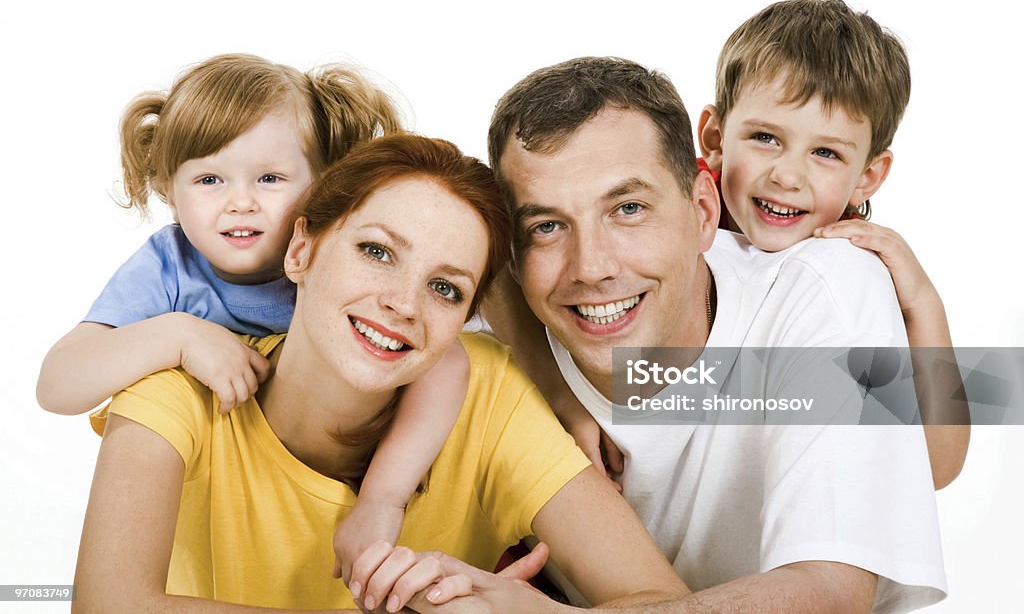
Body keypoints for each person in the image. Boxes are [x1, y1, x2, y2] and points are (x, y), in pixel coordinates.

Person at [73, 134, 690, 612]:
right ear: (301, 250)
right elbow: (109, 607)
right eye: (376, 252)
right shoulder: (174, 395)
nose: (403, 303)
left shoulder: (487, 398)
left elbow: (662, 601)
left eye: (445, 289)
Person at [483, 56, 947, 611]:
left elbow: (832, 592)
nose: (591, 267)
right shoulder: (466, 327)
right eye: (547, 226)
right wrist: (553, 388)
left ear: (703, 211)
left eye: (628, 209)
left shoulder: (831, 283)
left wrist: (925, 304)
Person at [36, 54, 473, 580]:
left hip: (352, 483)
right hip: (227, 502)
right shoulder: (169, 266)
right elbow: (57, 384)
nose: (239, 203)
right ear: (169, 191)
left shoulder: (341, 260)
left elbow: (449, 358)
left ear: (323, 184)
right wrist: (177, 335)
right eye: (208, 180)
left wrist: (383, 498)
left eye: (269, 177)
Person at [697, 0, 968, 488]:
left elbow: (935, 465)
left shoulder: (851, 274)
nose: (787, 175)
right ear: (715, 138)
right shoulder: (670, 216)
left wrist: (922, 303)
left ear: (867, 176)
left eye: (825, 152)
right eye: (764, 137)